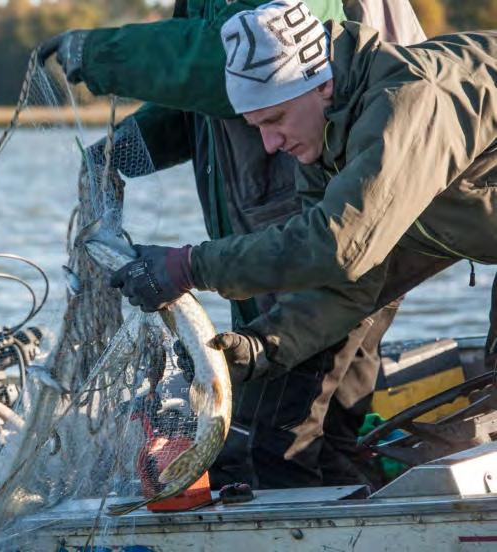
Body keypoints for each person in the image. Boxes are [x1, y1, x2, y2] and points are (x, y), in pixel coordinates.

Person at [39, 0, 425, 489]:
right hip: (291, 245)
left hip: (330, 236)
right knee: (314, 430)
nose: (267, 137)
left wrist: (100, 53)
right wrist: (127, 147)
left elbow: (227, 66)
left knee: (278, 439)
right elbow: (225, 95)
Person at [102, 0, 497, 433]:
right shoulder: (323, 136)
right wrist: (259, 347)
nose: (269, 143)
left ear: (323, 85)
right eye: (256, 127)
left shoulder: (410, 102)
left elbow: (337, 246)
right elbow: (348, 280)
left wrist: (188, 266)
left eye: (275, 119)